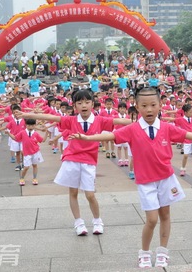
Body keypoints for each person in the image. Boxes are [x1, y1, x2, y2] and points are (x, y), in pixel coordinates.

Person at [70, 87, 192, 268]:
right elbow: (111, 135)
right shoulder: (132, 129)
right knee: (151, 219)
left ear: (160, 105)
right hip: (146, 182)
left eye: (153, 105)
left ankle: (163, 251)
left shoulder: (166, 127)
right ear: (137, 106)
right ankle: (144, 252)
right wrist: (87, 138)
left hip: (166, 179)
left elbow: (187, 135)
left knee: (165, 215)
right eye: (144, 105)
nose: (149, 110)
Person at [16, 90, 131, 237]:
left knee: (90, 194)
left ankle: (97, 221)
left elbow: (120, 121)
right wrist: (27, 115)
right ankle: (79, 223)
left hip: (89, 160)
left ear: (92, 104)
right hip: (72, 158)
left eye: (87, 102)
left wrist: (145, 120)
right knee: (73, 192)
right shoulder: (71, 120)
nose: (84, 105)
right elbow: (51, 117)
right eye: (80, 103)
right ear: (75, 105)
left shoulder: (100, 120)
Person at [8, 118, 44, 185]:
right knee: (26, 167)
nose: (31, 127)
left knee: (34, 165)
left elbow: (42, 140)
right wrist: (9, 133)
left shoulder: (35, 133)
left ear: (35, 125)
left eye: (32, 126)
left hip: (35, 152)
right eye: (29, 125)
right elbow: (15, 138)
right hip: (27, 153)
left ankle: (35, 178)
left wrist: (47, 132)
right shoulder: (22, 132)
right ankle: (22, 178)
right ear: (26, 125)